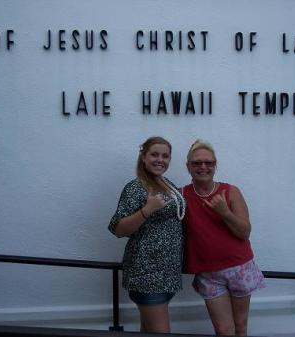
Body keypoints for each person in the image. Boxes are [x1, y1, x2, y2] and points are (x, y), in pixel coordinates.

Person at [182, 140, 265, 336]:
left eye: (209, 162)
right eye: (197, 163)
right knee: (223, 330)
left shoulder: (231, 191)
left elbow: (245, 232)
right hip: (208, 273)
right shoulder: (182, 194)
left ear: (215, 165)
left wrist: (224, 212)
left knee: (240, 326)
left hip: (240, 268)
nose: (203, 167)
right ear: (188, 167)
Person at [108, 136, 186, 333]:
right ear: (143, 157)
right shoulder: (136, 187)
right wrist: (147, 210)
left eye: (165, 156)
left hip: (167, 273)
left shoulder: (166, 184)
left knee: (149, 330)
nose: (160, 159)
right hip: (147, 274)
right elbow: (118, 229)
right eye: (154, 154)